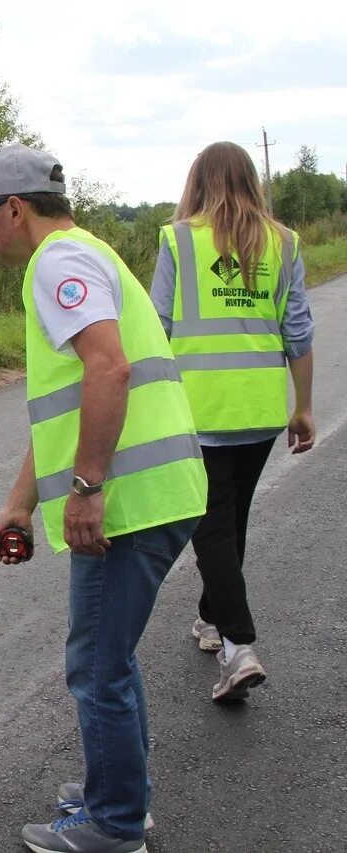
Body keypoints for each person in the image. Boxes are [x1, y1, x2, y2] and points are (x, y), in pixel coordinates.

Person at [0, 145, 207, 853]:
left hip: (130, 501)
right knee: (108, 656)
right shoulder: (86, 254)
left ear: (14, 209)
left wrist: (87, 488)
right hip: (155, 492)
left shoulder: (56, 264)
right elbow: (68, 404)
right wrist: (20, 503)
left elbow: (109, 367)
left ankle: (116, 824)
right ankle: (121, 797)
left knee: (96, 662)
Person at [152, 141, 315, 702]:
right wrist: (303, 406)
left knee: (212, 525)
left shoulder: (177, 239)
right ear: (250, 179)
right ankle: (211, 619)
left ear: (197, 180)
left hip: (199, 409)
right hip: (260, 408)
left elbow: (157, 327)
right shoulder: (284, 241)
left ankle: (239, 646)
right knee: (231, 521)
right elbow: (298, 332)